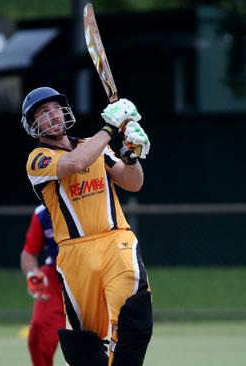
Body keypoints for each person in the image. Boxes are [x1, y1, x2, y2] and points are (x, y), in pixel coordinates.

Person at [22, 86, 153, 366]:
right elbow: (75, 163)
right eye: (43, 112)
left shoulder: (94, 146)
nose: (53, 115)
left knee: (135, 316)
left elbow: (133, 182)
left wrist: (132, 156)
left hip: (116, 240)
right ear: (33, 124)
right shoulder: (37, 160)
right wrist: (110, 126)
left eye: (55, 108)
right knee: (86, 344)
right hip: (75, 255)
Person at [20, 204, 64, 366]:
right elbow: (28, 253)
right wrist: (33, 274)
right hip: (55, 276)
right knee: (39, 332)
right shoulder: (42, 213)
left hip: (90, 274)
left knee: (96, 336)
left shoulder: (91, 199)